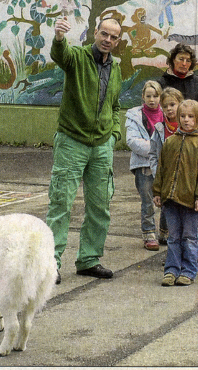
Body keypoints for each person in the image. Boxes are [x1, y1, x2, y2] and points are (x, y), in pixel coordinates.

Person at [46, 16, 122, 281]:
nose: (108, 40)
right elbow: (60, 54)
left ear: (118, 41)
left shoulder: (116, 67)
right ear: (95, 33)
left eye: (113, 37)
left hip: (102, 146)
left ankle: (89, 258)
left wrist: (114, 134)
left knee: (100, 205)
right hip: (71, 141)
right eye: (104, 34)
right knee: (61, 202)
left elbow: (115, 105)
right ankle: (50, 264)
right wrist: (58, 36)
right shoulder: (77, 57)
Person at [153, 100, 198, 286]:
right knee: (173, 237)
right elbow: (161, 168)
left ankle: (188, 270)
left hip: (190, 201)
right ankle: (171, 270)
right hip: (170, 199)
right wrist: (157, 191)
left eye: (191, 117)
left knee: (189, 238)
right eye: (183, 116)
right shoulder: (170, 142)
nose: (186, 120)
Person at [125, 80, 163, 250]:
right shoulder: (134, 116)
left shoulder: (167, 114)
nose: (152, 99)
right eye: (148, 96)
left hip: (165, 165)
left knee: (167, 199)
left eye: (155, 96)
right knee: (147, 201)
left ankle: (165, 231)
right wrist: (157, 150)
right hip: (144, 165)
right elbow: (132, 141)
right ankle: (149, 233)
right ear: (143, 97)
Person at [156, 43, 198, 140]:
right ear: (173, 60)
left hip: (194, 134)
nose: (184, 63)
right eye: (181, 59)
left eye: (188, 60)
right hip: (169, 135)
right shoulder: (162, 83)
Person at [149, 87, 182, 246]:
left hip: (182, 176)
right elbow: (153, 154)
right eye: (165, 106)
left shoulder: (186, 128)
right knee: (166, 205)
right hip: (165, 175)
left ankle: (176, 237)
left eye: (172, 105)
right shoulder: (159, 129)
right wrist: (157, 174)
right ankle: (164, 233)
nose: (169, 109)